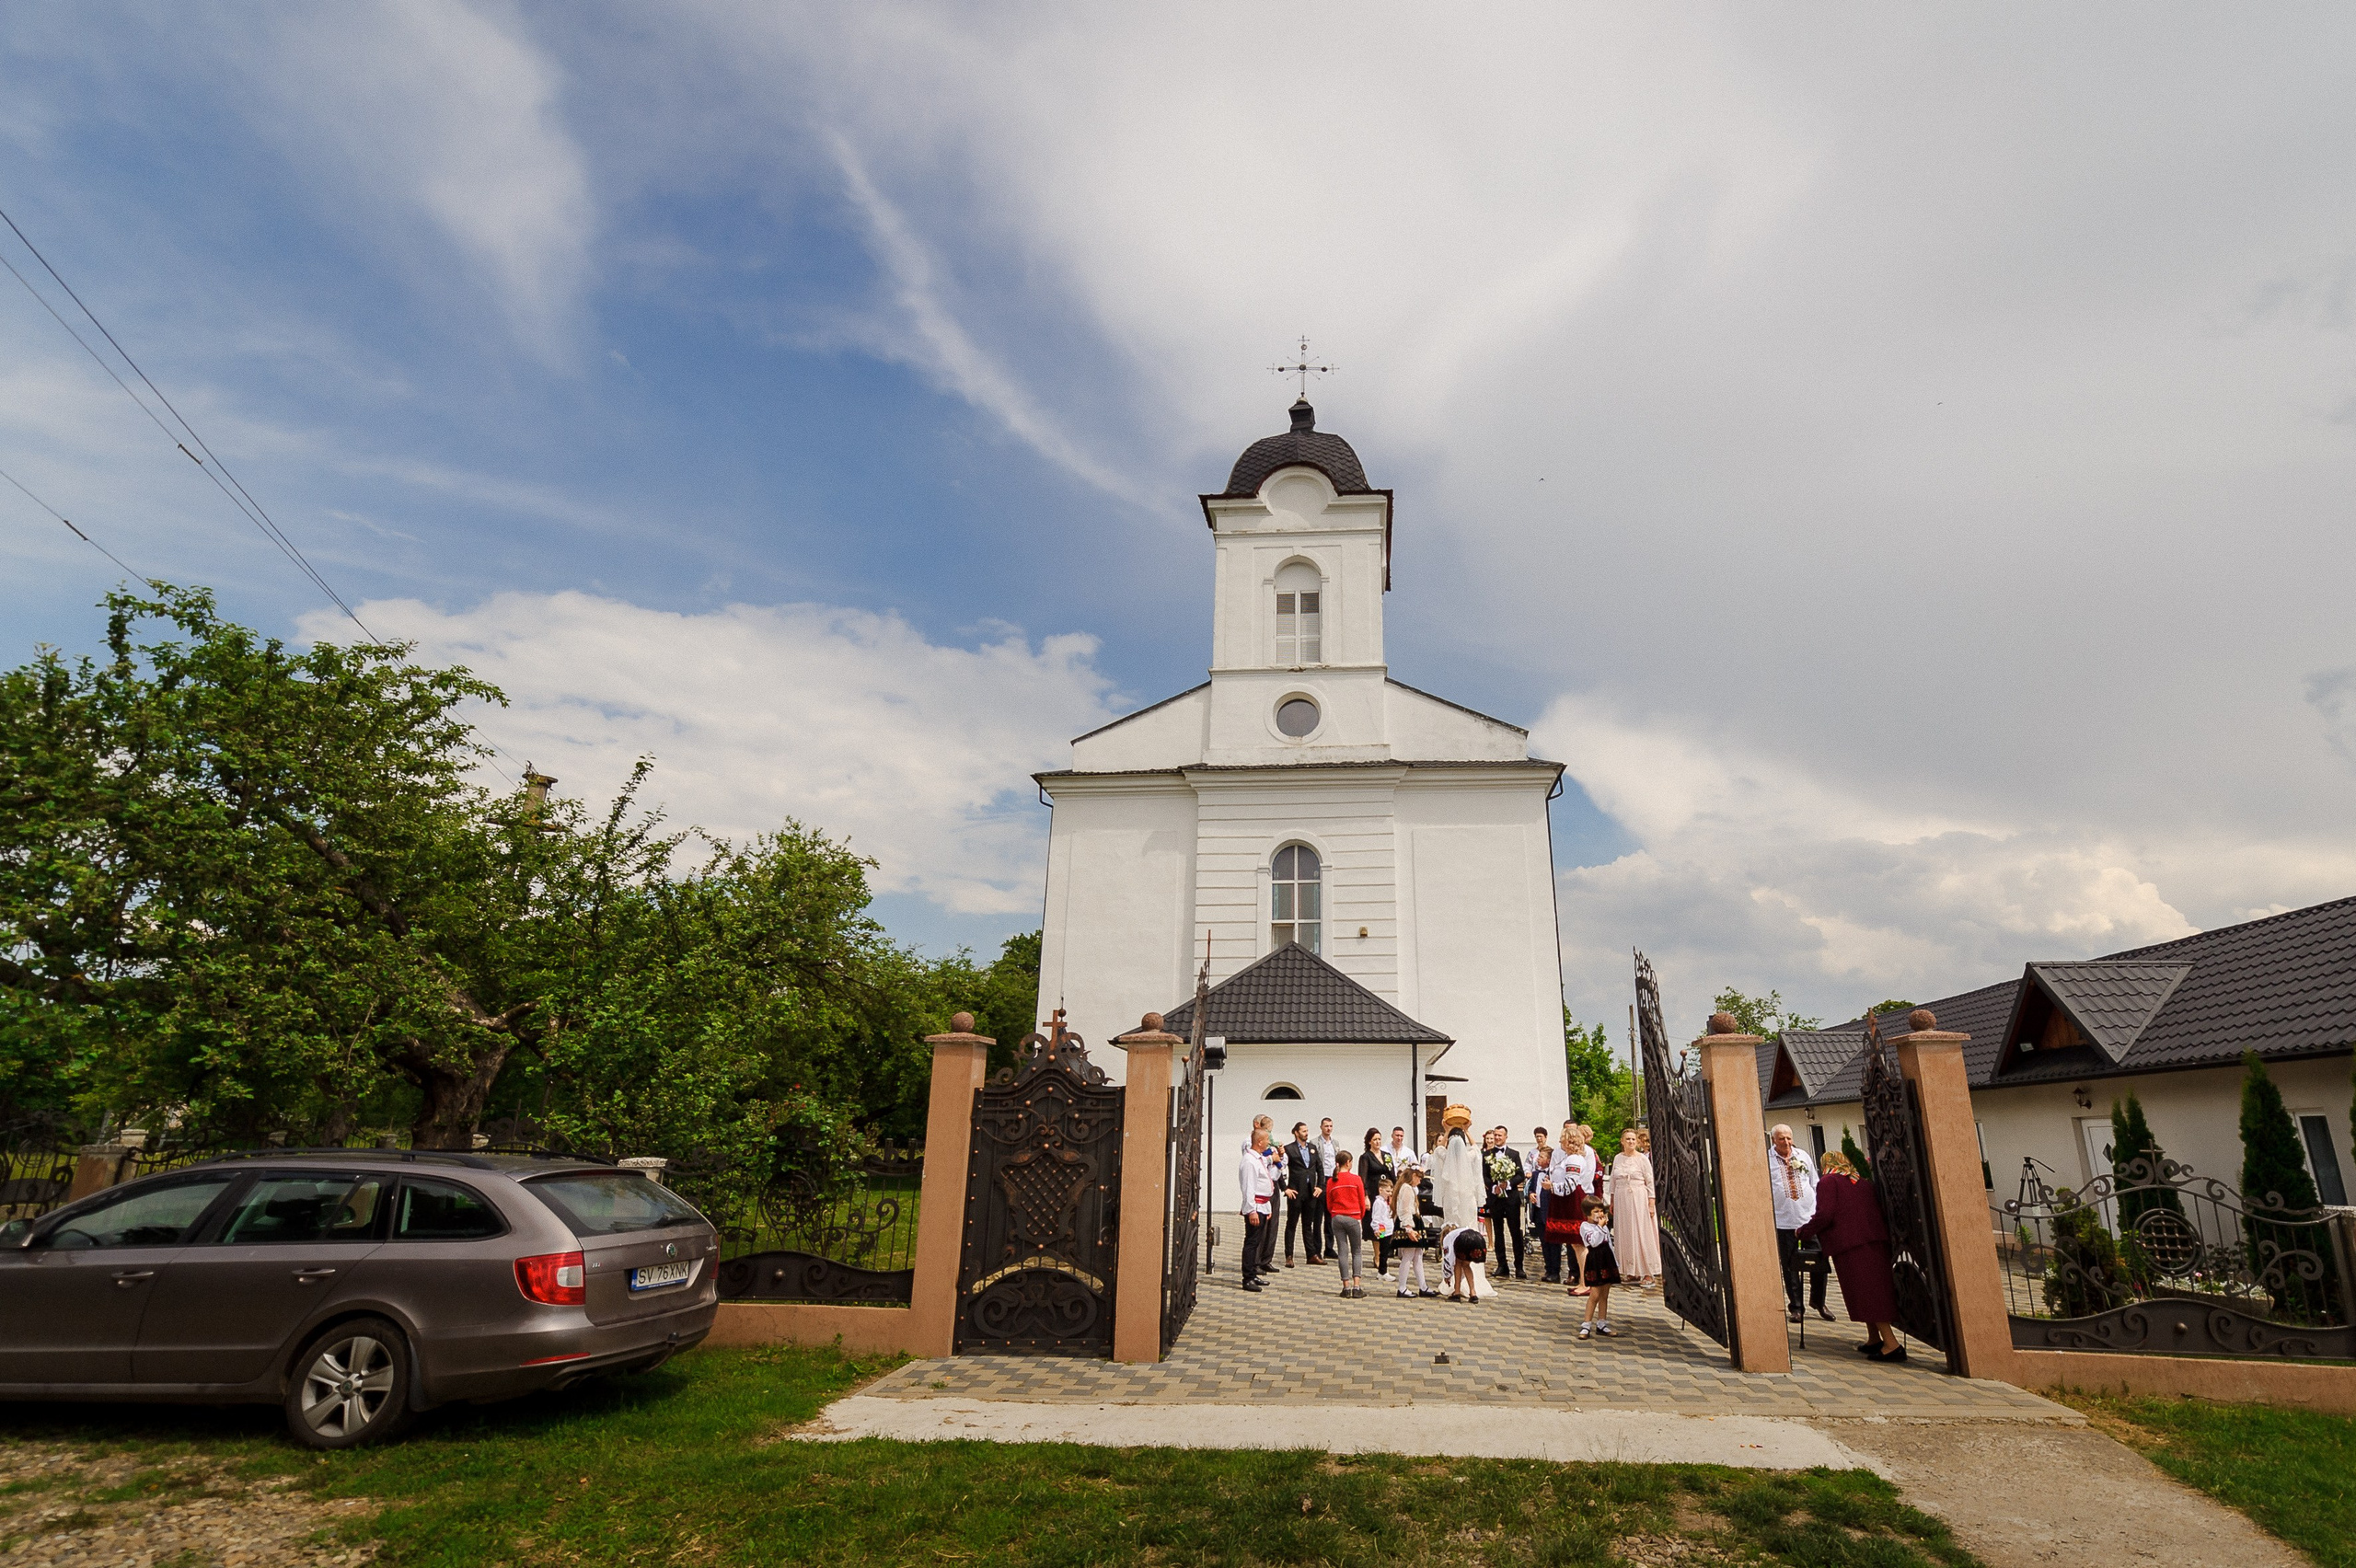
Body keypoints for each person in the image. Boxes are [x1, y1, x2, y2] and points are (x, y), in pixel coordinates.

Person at [1799, 1151, 1906, 1360]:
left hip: (1851, 1245)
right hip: (1874, 1241)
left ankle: (1891, 1345)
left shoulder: (1829, 1182)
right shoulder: (1862, 1182)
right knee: (1868, 1291)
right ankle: (1874, 1338)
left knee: (1869, 1293)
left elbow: (1825, 1214)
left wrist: (1803, 1232)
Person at [1769, 1123, 1828, 1322]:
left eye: (1788, 1138)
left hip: (1808, 1219)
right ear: (1773, 1141)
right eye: (1781, 1139)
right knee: (1790, 1266)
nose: (1786, 1142)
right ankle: (1796, 1307)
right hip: (1784, 1221)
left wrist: (1819, 1211)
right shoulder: (1766, 1160)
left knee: (1819, 1261)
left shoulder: (1803, 1156)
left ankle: (1818, 1301)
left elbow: (1815, 1183)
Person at [1608, 1128, 1661, 1287]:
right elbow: (1613, 1180)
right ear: (1622, 1141)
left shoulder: (1642, 1159)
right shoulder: (1618, 1158)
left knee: (1641, 1232)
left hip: (1638, 1197)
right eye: (1628, 1139)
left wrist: (1651, 1203)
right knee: (1626, 1233)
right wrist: (1612, 1200)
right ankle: (1631, 1269)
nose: (1631, 1142)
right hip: (1621, 1197)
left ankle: (1648, 1272)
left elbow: (1650, 1181)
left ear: (1637, 1142)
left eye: (1633, 1139)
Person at [1555, 1124, 1600, 1296]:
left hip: (1574, 1199)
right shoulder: (1570, 1158)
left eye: (1563, 1139)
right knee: (1576, 1244)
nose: (1560, 1142)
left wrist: (1553, 1186)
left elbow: (1571, 1184)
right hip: (1573, 1198)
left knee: (1580, 1243)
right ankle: (1584, 1280)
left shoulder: (1574, 1159)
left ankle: (1586, 1282)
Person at [1483, 1125, 1528, 1280]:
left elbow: (1520, 1174)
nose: (1497, 1138)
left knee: (1515, 1231)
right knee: (1498, 1232)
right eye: (1495, 1135)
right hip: (1496, 1199)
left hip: (1511, 1199)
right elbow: (1484, 1176)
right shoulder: (1487, 1155)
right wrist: (1494, 1186)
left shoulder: (1514, 1154)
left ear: (1506, 1136)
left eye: (1500, 1135)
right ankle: (1502, 1264)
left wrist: (1508, 1184)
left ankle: (1519, 1266)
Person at [1238, 1126, 1276, 1291]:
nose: (1269, 1142)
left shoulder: (1258, 1158)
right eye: (1267, 1139)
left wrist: (1266, 1208)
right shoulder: (1249, 1160)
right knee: (1252, 1242)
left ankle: (1253, 1273)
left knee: (1257, 1241)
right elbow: (1249, 1187)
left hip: (1263, 1205)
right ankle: (1247, 1277)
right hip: (1256, 1206)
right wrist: (1252, 1210)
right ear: (1259, 1142)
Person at [1576, 1197, 1621, 1339]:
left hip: (1606, 1259)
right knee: (1594, 1294)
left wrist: (1615, 1262)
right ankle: (1586, 1324)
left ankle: (1602, 1323)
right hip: (1595, 1260)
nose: (1600, 1214)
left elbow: (1609, 1244)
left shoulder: (1604, 1226)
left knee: (1604, 1294)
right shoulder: (1585, 1226)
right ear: (1588, 1213)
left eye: (1601, 1211)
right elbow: (1594, 1242)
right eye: (1596, 1211)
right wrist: (1600, 1227)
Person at [1325, 1152, 1368, 1298]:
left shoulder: (1331, 1181)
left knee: (1342, 1251)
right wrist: (1360, 1216)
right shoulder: (1356, 1179)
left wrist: (1334, 1214)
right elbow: (1362, 1201)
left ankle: (1346, 1287)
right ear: (1348, 1162)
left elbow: (1329, 1202)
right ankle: (1357, 1286)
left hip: (1337, 1217)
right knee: (1357, 1251)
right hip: (1353, 1216)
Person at [1283, 1122, 1324, 1266]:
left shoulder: (1312, 1148)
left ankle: (1311, 1255)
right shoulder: (1289, 1149)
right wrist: (1285, 1188)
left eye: (1307, 1131)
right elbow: (1280, 1168)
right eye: (1303, 1131)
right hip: (1295, 1191)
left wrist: (1320, 1186)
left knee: (1308, 1224)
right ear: (1296, 1133)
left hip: (1311, 1192)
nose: (1306, 1133)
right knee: (1292, 1224)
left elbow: (1320, 1168)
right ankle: (1289, 1255)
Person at [1392, 1163, 1436, 1297]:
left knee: (1418, 1255)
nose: (1420, 1181)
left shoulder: (1408, 1188)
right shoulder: (1406, 1188)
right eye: (1419, 1178)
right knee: (1409, 1255)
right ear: (1413, 1176)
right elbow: (1405, 1210)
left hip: (1413, 1221)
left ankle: (1423, 1286)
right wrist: (1408, 1228)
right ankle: (1402, 1287)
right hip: (1409, 1222)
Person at [1525, 1125, 1560, 1282]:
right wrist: (1531, 1194)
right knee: (1544, 1241)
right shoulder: (1536, 1173)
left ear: (1548, 1160)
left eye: (1540, 1158)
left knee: (1553, 1242)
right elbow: (1532, 1188)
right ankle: (1548, 1269)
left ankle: (1555, 1270)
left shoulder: (1553, 1175)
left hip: (1549, 1212)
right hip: (1538, 1211)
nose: (1537, 1160)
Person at [1441, 1224, 1490, 1303]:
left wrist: (1447, 1275)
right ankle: (1473, 1293)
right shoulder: (1461, 1230)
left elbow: (1448, 1258)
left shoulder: (1448, 1238)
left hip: (1464, 1240)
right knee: (1466, 1265)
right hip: (1479, 1239)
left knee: (1457, 1263)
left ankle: (1457, 1292)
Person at [1316, 1116, 1341, 1257]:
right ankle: (1316, 1248)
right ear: (1321, 1127)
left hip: (1333, 1179)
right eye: (1326, 1126)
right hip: (1321, 1179)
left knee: (1331, 1215)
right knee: (1319, 1215)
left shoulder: (1335, 1143)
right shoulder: (1316, 1143)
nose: (1328, 1129)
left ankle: (1329, 1247)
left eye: (1330, 1126)